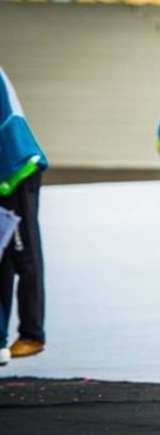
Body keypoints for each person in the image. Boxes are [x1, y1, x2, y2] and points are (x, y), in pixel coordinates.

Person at [0, 66, 48, 364]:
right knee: (2, 256)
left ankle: (32, 333)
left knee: (24, 255)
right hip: (5, 172)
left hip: (16, 171)